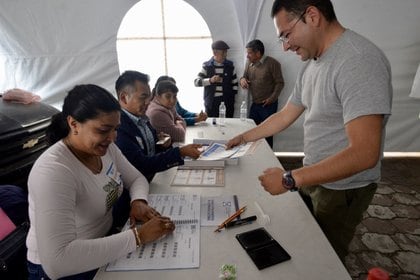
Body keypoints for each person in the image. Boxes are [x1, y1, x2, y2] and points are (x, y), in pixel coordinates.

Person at [227, 0, 392, 262]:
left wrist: (289, 179)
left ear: (312, 16)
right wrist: (243, 136)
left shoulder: (357, 61)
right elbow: (285, 116)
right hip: (313, 175)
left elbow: (364, 153)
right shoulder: (314, 64)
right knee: (306, 243)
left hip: (341, 188)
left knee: (326, 259)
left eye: (286, 34)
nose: (285, 45)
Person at [26, 84, 175, 280]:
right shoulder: (53, 172)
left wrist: (138, 201)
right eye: (104, 130)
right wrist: (139, 236)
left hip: (103, 245)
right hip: (68, 268)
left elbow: (136, 178)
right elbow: (57, 261)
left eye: (116, 129)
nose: (113, 137)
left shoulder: (105, 149)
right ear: (74, 124)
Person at [115, 70, 202, 182]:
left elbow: (152, 150)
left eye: (149, 97)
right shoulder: (119, 128)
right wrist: (180, 152)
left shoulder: (142, 118)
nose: (148, 102)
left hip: (155, 178)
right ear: (123, 98)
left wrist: (164, 144)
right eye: (143, 97)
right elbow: (142, 164)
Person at [240, 39, 284, 148]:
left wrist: (272, 99)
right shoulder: (249, 64)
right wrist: (242, 80)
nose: (247, 56)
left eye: (249, 53)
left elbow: (280, 83)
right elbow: (244, 76)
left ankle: (267, 161)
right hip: (255, 104)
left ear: (258, 53)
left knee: (267, 134)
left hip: (268, 106)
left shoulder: (273, 63)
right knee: (251, 131)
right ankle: (252, 158)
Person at [194, 40, 238, 118]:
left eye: (226, 52)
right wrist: (210, 80)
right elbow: (196, 82)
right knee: (212, 125)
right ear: (214, 53)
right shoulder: (206, 66)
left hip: (227, 102)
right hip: (211, 102)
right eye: (223, 52)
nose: (225, 54)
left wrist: (230, 97)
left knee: (228, 124)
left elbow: (235, 85)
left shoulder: (230, 66)